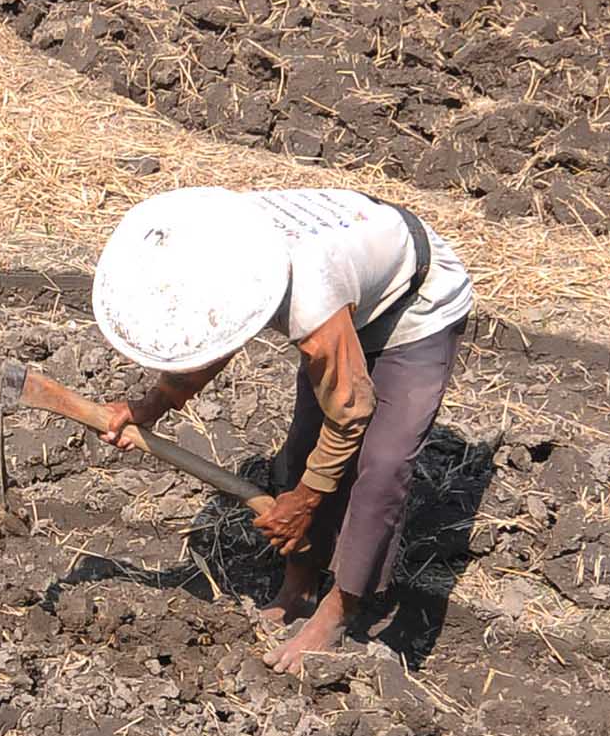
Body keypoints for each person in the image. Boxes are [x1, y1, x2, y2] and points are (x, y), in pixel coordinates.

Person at [87, 186, 475, 675]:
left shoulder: (308, 293)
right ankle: (301, 580)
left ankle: (340, 607)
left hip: (416, 305)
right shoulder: (212, 242)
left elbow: (351, 409)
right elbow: (215, 332)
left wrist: (307, 498)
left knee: (382, 467)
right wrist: (150, 406)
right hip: (350, 285)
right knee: (303, 447)